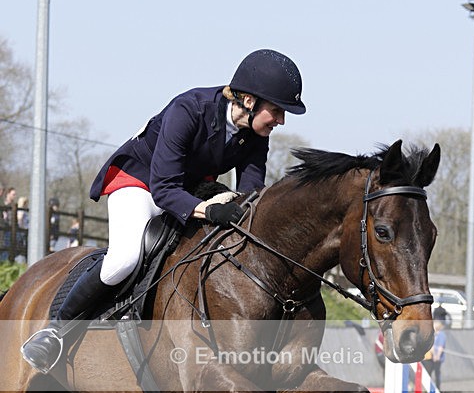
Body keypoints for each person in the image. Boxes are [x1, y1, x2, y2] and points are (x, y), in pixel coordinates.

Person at [21, 49, 306, 373]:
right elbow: (164, 188)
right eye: (278, 110)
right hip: (141, 184)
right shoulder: (189, 109)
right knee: (124, 259)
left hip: (187, 190)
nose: (281, 120)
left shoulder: (255, 135)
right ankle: (53, 333)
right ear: (250, 101)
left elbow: (251, 192)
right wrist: (209, 211)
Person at [422, 306, 447, 389]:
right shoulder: (433, 332)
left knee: (436, 373)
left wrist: (437, 355)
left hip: (435, 357)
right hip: (430, 357)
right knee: (431, 373)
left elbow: (440, 346)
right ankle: (431, 387)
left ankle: (436, 387)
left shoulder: (440, 334)